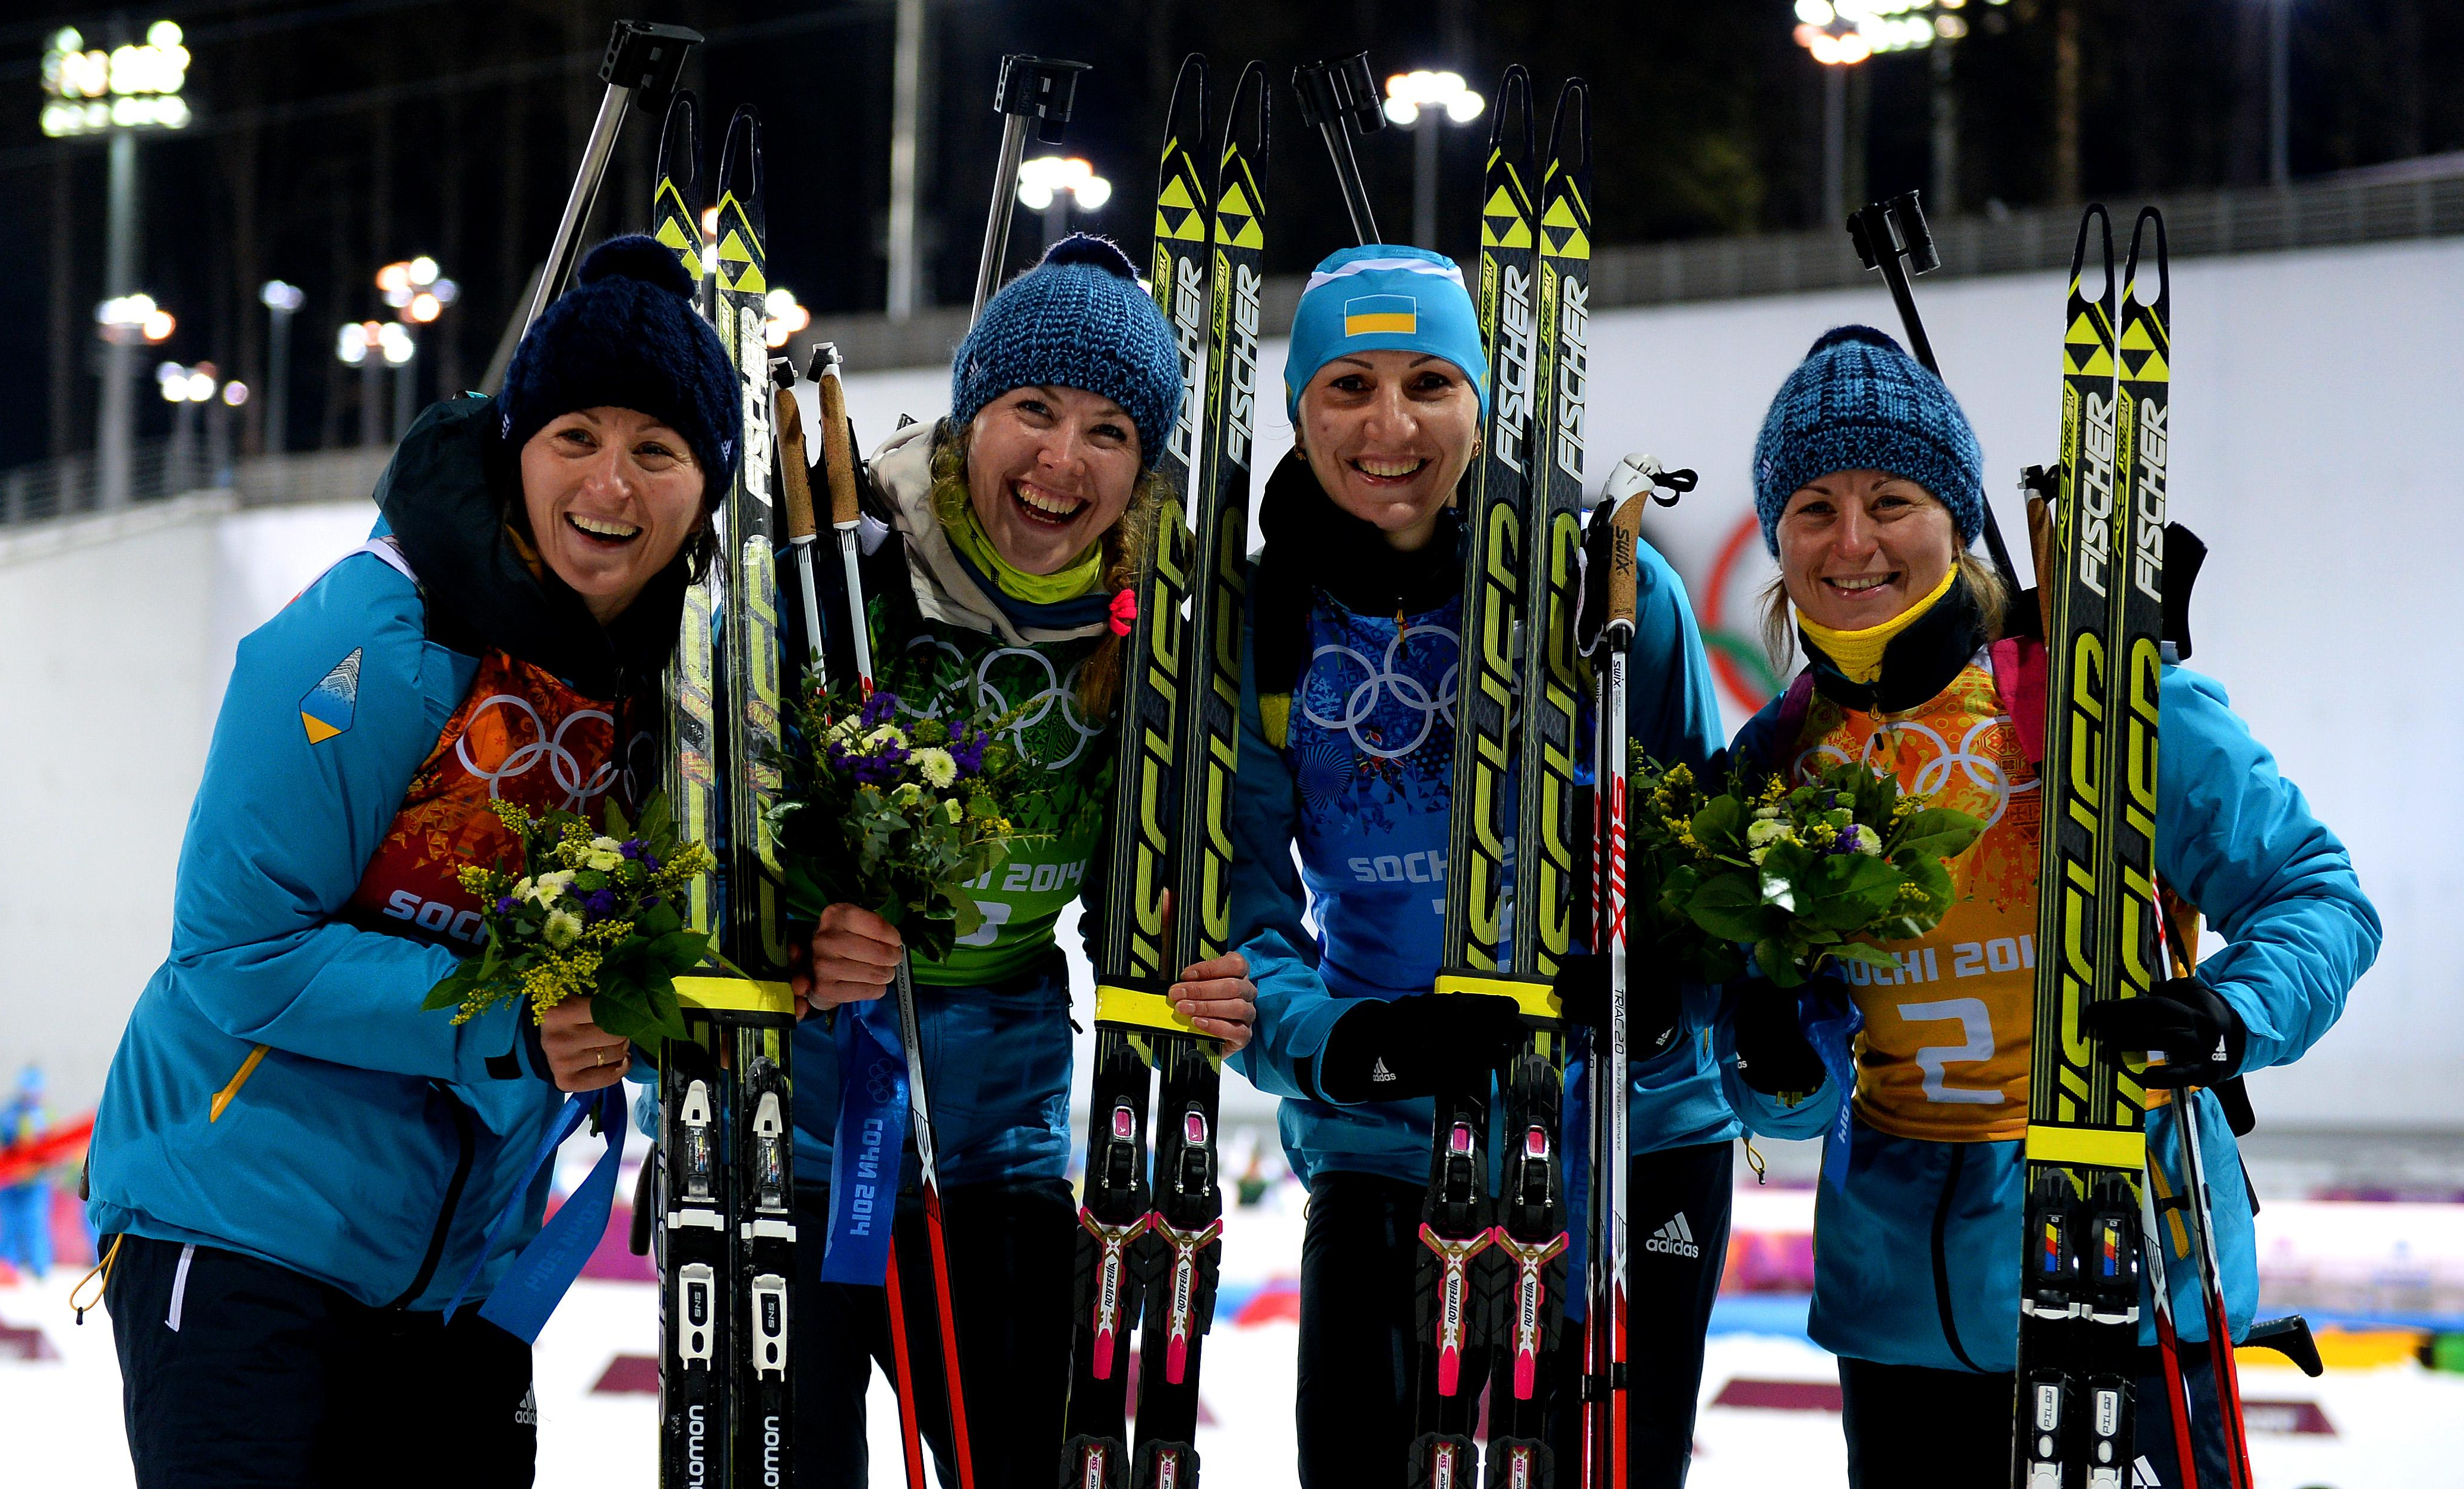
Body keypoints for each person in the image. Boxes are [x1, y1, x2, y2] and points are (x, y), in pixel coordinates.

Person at [84, 235, 737, 1488]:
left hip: (454, 1276)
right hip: (239, 1227)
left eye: (657, 451)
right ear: (514, 446)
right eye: (576, 437)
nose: (612, 482)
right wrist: (512, 1025)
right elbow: (238, 953)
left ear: (700, 490)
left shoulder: (672, 701)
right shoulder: (373, 634)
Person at [1714, 325, 2380, 1489]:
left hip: (2125, 1264)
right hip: (1902, 1308)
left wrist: (2225, 1012)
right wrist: (1770, 1043)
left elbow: (2318, 893)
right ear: (1778, 538)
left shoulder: (2093, 702)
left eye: (1892, 497)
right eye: (1813, 505)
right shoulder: (1774, 765)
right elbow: (1801, 1095)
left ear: (1957, 518)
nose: (1853, 538)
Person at [1227, 245, 1738, 1489]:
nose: (1388, 424)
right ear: (1299, 411)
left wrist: (1668, 988)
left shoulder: (1614, 591)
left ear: (1483, 401)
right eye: (1347, 384)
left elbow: (1706, 852)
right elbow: (1228, 899)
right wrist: (1351, 1042)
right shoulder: (1265, 617)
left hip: (1629, 1128)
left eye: (1428, 383)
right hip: (1389, 1129)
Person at [777, 233, 1258, 1489]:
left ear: (1142, 463)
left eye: (1108, 429)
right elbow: (719, 804)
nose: (1061, 461)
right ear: (968, 412)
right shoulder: (852, 560)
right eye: (1032, 410)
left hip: (997, 1125)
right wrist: (797, 926)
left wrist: (1193, 961)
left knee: (1032, 1453)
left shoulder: (1154, 608)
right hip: (801, 1119)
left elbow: (1142, 878)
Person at [0, 1066, 55, 1280]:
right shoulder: (5, 1113)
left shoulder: (45, 1114)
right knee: (8, 1226)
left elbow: (53, 1147)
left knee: (35, 1225)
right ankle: (6, 1268)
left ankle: (40, 1270)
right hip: (7, 1181)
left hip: (34, 1182)